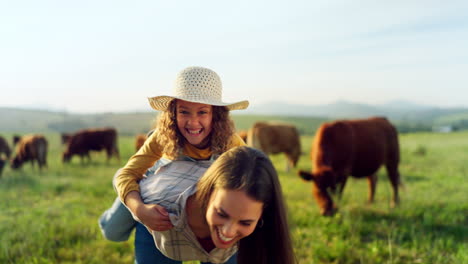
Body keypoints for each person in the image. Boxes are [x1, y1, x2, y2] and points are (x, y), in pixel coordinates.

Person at [99, 66, 249, 263]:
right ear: (173, 113)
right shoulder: (163, 136)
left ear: (216, 114)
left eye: (202, 112)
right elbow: (127, 174)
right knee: (112, 231)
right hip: (159, 187)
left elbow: (252, 188)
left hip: (206, 209)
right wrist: (140, 210)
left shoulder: (232, 144)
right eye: (184, 112)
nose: (193, 122)